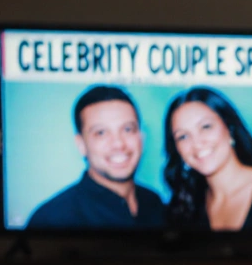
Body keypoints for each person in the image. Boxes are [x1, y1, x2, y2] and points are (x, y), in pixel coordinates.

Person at [27, 85, 165, 228]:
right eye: (101, 133)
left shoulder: (154, 204)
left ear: (141, 137)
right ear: (81, 144)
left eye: (128, 129)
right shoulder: (52, 219)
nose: (118, 144)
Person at [163, 87, 252, 230]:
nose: (196, 143)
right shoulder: (184, 209)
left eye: (205, 127)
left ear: (230, 128)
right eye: (183, 136)